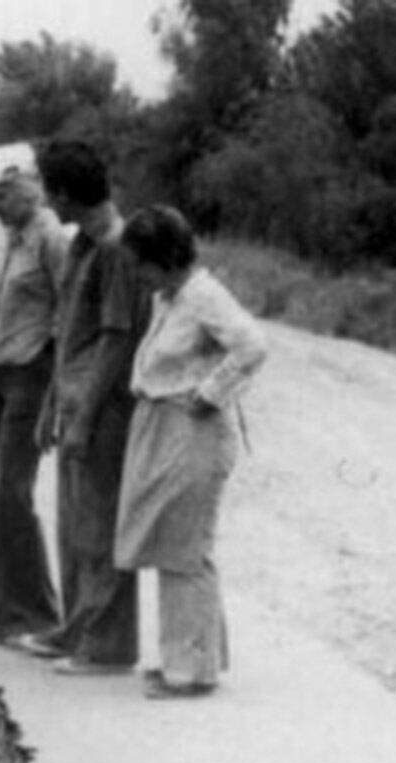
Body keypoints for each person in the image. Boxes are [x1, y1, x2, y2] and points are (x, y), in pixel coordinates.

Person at [116, 205, 268, 699]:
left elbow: (252, 345)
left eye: (141, 263)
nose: (137, 275)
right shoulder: (172, 296)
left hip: (194, 429)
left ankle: (192, 671)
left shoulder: (203, 295)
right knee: (171, 542)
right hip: (167, 425)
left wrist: (211, 392)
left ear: (164, 257)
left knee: (186, 547)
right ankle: (188, 658)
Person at [13, 140, 151, 675]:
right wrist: (53, 404)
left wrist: (87, 415)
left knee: (101, 527)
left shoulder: (116, 248)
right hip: (74, 400)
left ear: (68, 193)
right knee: (75, 527)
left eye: (52, 189)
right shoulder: (81, 246)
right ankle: (78, 628)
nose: (49, 200)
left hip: (104, 408)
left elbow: (116, 341)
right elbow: (69, 334)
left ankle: (110, 644)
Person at [0, 158, 65, 644]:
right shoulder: (10, 234)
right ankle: (0, 612)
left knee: (12, 493)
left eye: (3, 194)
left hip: (30, 371)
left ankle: (40, 613)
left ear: (30, 188)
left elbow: (67, 314)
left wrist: (56, 389)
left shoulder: (51, 237)